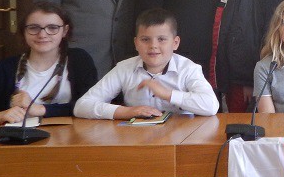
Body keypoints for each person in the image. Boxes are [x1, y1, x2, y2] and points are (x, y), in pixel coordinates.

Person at [0, 3, 97, 125]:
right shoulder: (2, 69)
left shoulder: (79, 60)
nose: (42, 34)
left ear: (65, 31)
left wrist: (41, 109)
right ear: (23, 31)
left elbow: (92, 105)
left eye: (52, 28)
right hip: (17, 144)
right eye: (34, 28)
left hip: (69, 141)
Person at [74, 8, 219, 120]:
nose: (153, 46)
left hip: (181, 138)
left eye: (161, 39)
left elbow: (211, 106)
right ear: (136, 43)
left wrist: (168, 94)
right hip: (137, 139)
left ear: (175, 43)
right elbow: (82, 106)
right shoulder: (124, 68)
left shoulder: (188, 69)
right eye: (145, 40)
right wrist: (127, 112)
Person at [210, 0, 277, 113]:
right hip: (240, 81)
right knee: (240, 125)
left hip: (274, 77)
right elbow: (221, 33)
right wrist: (243, 81)